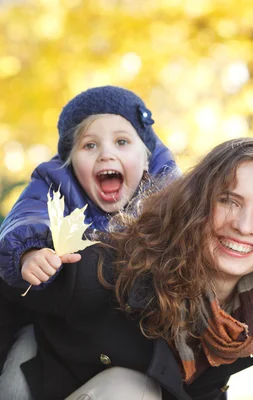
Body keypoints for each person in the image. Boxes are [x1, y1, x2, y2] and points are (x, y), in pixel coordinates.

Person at [0, 137, 253, 400]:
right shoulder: (107, 272)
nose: (244, 225)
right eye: (229, 201)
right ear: (197, 204)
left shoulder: (251, 319)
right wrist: (28, 252)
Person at [0, 85, 178, 399]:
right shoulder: (56, 185)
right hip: (56, 338)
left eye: (122, 141)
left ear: (147, 158)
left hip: (133, 347)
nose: (106, 153)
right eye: (90, 145)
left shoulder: (170, 199)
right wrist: (29, 252)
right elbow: (27, 215)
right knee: (14, 381)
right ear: (70, 161)